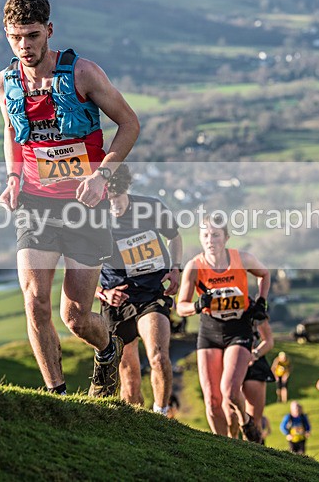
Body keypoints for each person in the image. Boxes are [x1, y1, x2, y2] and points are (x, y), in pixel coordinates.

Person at [0, 0, 140, 397]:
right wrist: (13, 177)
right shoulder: (3, 83)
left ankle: (109, 346)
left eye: (32, 35)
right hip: (36, 205)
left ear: (49, 31)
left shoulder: (83, 74)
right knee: (34, 302)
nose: (24, 46)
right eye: (15, 37)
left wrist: (102, 177)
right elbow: (10, 131)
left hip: (84, 206)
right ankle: (57, 396)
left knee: (75, 316)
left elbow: (129, 125)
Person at [96, 164, 182, 413]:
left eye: (117, 199)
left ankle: (161, 414)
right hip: (117, 299)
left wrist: (175, 267)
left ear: (126, 189)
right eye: (108, 201)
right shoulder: (94, 218)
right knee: (129, 374)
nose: (114, 206)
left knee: (158, 356)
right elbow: (78, 268)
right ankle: (139, 424)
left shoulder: (150, 207)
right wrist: (103, 293)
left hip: (151, 294)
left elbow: (174, 236)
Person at [176, 213, 270, 439]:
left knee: (229, 391)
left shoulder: (242, 259)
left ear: (226, 238)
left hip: (238, 329)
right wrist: (197, 305)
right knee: (212, 400)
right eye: (206, 235)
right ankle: (224, 444)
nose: (211, 240)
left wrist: (261, 301)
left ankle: (245, 421)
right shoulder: (195, 266)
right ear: (200, 238)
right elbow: (181, 307)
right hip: (210, 331)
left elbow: (265, 274)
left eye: (216, 235)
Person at [243, 315, 276, 443]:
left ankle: (254, 451)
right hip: (228, 358)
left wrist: (255, 354)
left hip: (253, 362)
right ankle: (230, 449)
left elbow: (268, 341)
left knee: (254, 417)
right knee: (230, 414)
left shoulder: (254, 308)